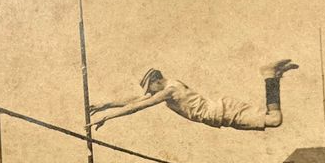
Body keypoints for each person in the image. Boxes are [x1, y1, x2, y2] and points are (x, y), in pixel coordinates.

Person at [89, 60, 298, 132]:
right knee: (273, 119)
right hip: (222, 111)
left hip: (221, 112)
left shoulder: (169, 90)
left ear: (155, 81)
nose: (150, 93)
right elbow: (134, 100)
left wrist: (108, 118)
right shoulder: (169, 87)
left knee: (274, 120)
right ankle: (273, 76)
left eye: (150, 88)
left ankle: (270, 75)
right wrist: (104, 105)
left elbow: (139, 106)